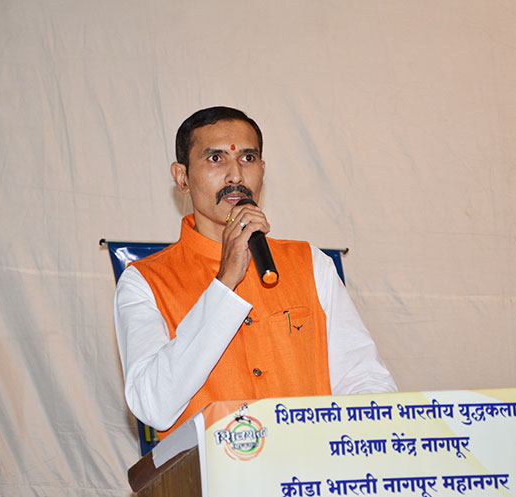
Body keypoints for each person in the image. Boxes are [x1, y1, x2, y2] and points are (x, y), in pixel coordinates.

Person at [114, 106, 396, 438]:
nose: (235, 176)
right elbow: (153, 405)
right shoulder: (145, 281)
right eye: (215, 159)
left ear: (262, 170)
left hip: (309, 463)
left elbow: (364, 379)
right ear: (182, 178)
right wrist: (224, 284)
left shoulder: (311, 263)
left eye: (247, 159)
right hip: (209, 468)